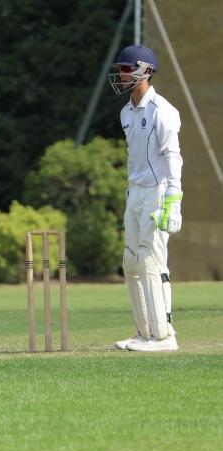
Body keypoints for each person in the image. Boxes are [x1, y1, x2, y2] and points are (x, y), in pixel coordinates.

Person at [108, 45, 183, 352]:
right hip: (134, 193)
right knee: (131, 262)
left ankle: (164, 337)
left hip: (158, 192)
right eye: (121, 69)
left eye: (127, 69)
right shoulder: (126, 112)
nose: (122, 74)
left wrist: (173, 200)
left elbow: (172, 156)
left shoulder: (162, 111)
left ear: (145, 71)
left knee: (150, 260)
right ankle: (144, 334)